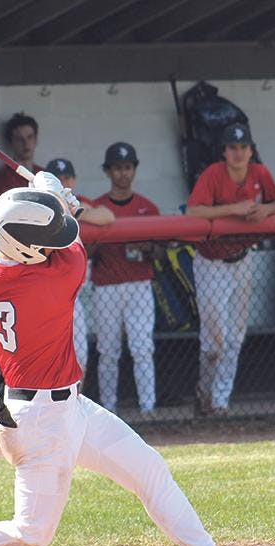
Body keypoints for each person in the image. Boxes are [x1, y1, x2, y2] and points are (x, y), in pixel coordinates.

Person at [0, 176, 275, 546]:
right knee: (30, 536)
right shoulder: (59, 275)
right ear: (28, 247)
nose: (57, 243)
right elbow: (73, 241)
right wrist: (60, 199)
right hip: (39, 424)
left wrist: (45, 203)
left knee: (149, 468)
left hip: (69, 407)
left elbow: (10, 233)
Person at [186, 123, 275, 416]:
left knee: (236, 335)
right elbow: (194, 211)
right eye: (233, 148)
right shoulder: (214, 173)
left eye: (244, 148)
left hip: (242, 259)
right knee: (215, 338)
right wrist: (234, 209)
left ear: (251, 150)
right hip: (211, 263)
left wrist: (266, 209)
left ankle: (219, 402)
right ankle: (204, 392)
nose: (239, 153)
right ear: (225, 152)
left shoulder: (260, 173)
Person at [85, 143, 161, 415]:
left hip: (139, 283)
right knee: (108, 351)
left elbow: (162, 252)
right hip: (106, 285)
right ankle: (108, 409)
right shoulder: (97, 207)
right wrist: (104, 239)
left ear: (134, 169)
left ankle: (148, 407)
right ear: (108, 171)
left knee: (142, 348)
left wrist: (147, 248)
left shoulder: (147, 207)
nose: (123, 173)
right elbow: (88, 252)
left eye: (127, 167)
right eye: (117, 168)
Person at [45, 158, 98, 379]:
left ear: (73, 180)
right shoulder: (39, 207)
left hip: (74, 294)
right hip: (46, 293)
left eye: (66, 178)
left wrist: (74, 209)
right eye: (56, 179)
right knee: (51, 361)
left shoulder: (78, 202)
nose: (62, 182)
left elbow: (107, 216)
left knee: (80, 358)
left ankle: (74, 410)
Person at [0, 112, 44, 208]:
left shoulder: (44, 174)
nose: (26, 143)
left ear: (36, 140)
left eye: (29, 137)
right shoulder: (3, 179)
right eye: (19, 139)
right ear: (11, 142)